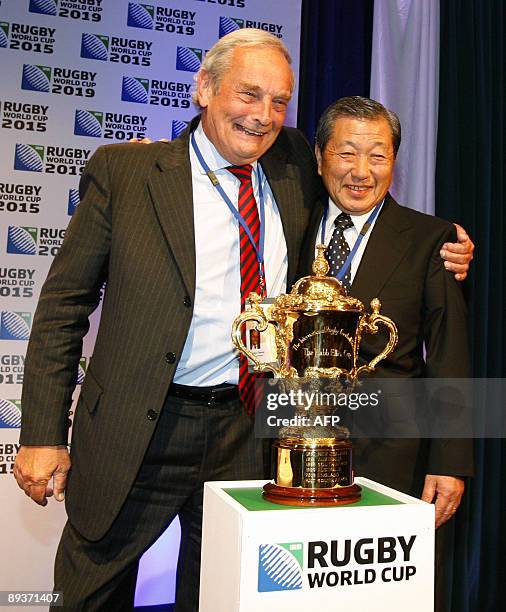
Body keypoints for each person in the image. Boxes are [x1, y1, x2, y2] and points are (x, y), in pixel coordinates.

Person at [13, 30, 472, 611]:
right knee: (89, 598)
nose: (263, 116)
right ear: (204, 89)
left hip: (249, 431)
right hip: (142, 427)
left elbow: (365, 205)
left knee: (225, 598)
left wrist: (448, 245)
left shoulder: (292, 169)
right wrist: (43, 434)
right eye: (249, 95)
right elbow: (62, 308)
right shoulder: (128, 173)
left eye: (279, 101)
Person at [299, 96, 472, 610]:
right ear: (319, 156)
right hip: (287, 450)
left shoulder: (431, 238)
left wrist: (451, 461)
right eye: (347, 153)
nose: (361, 171)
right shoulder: (285, 221)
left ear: (394, 162)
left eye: (378, 155)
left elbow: (450, 355)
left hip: (394, 458)